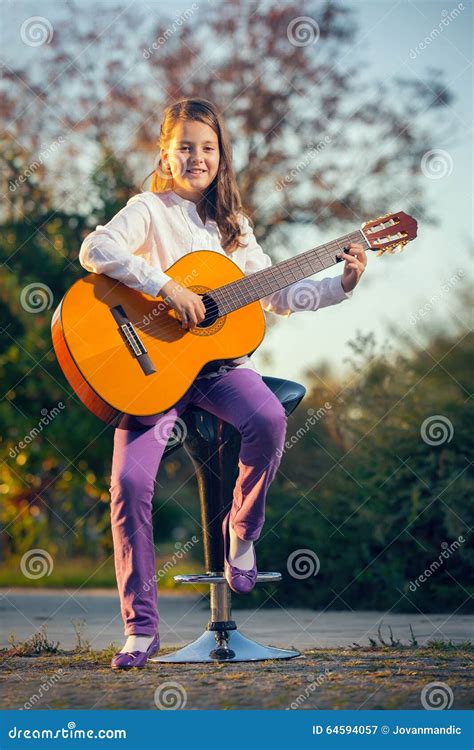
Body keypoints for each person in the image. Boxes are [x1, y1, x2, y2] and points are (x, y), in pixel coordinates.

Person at [78, 98, 367, 669]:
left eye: (207, 148)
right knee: (129, 488)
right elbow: (96, 249)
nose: (196, 157)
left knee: (268, 417)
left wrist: (344, 282)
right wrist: (166, 287)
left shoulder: (234, 227)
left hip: (216, 371)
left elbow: (279, 296)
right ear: (166, 152)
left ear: (220, 156)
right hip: (149, 372)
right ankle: (141, 630)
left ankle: (242, 530)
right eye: (185, 146)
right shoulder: (147, 209)